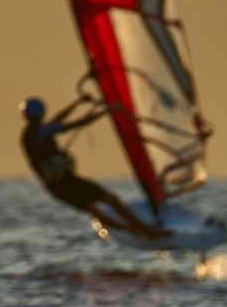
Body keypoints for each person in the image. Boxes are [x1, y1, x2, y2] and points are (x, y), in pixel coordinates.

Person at [18, 96, 160, 241]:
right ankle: (145, 231)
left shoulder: (30, 135)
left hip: (56, 186)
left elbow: (56, 121)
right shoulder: (41, 132)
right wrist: (104, 111)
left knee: (94, 209)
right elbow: (78, 123)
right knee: (109, 200)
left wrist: (77, 103)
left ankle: (137, 230)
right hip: (66, 182)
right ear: (42, 113)